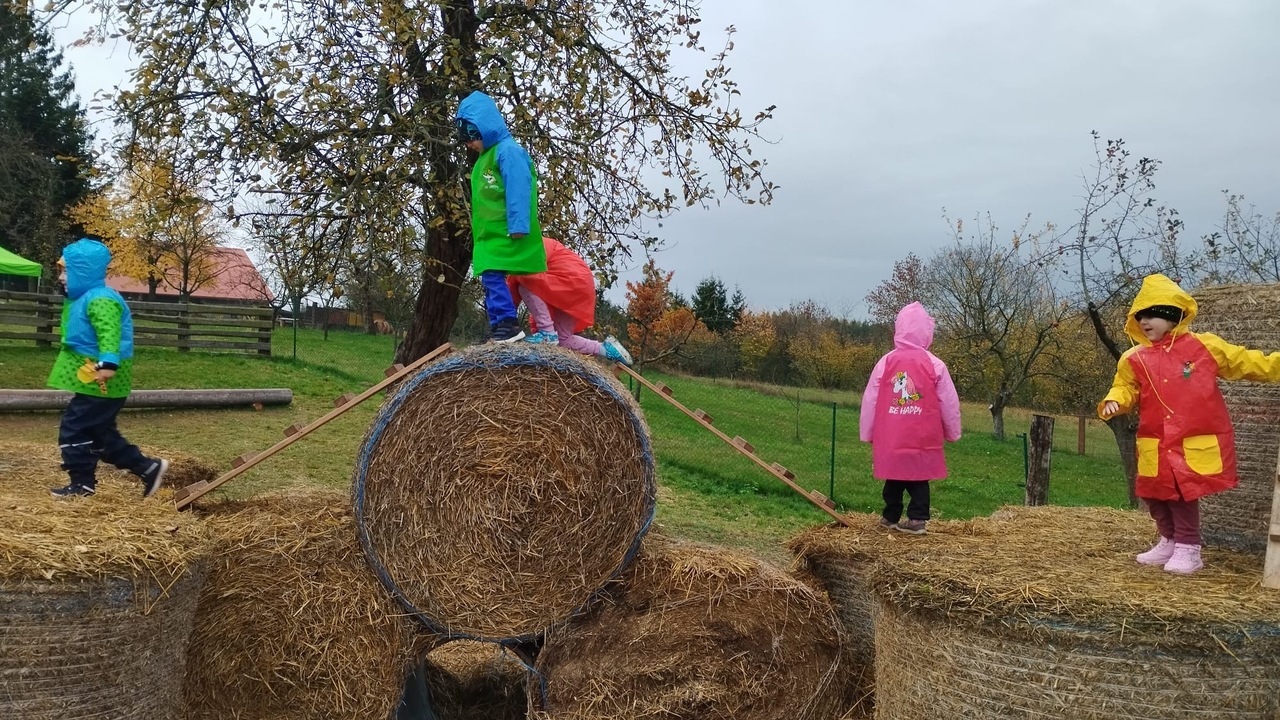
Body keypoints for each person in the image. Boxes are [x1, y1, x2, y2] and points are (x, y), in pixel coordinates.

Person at [1098, 273, 1280, 574]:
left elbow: (1247, 362)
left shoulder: (1203, 347)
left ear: (1172, 315)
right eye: (1140, 316)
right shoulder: (1134, 358)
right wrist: (1115, 400)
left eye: (1152, 314)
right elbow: (1125, 387)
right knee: (1152, 492)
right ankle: (1169, 540)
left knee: (1182, 493)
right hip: (1155, 440)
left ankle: (1189, 548)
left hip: (1191, 437)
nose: (1144, 321)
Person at [46, 238, 169, 498]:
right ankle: (147, 468)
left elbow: (109, 332)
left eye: (67, 271)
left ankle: (82, 484)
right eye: (61, 271)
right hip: (96, 380)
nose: (61, 277)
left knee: (74, 428)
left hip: (101, 379)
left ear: (84, 272)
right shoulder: (86, 298)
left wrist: (109, 361)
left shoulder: (101, 299)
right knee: (100, 434)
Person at [859, 302, 962, 534]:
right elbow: (948, 402)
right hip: (922, 435)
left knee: (893, 475)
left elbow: (871, 399)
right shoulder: (936, 365)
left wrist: (868, 431)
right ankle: (917, 519)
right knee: (919, 477)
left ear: (899, 328)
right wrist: (952, 431)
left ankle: (890, 516)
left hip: (892, 433)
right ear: (927, 330)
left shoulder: (886, 362)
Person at [455, 90, 547, 342]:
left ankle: (508, 324)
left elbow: (519, 187)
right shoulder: (484, 159)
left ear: (484, 128)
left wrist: (518, 223)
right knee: (489, 278)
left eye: (472, 138)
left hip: (505, 231)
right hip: (488, 234)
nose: (469, 144)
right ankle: (499, 326)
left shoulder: (508, 151)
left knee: (493, 276)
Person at [506, 237, 632, 365]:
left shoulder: (533, 246)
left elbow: (512, 291)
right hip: (581, 287)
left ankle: (547, 333)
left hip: (570, 281)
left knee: (525, 281)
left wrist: (505, 323)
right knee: (563, 339)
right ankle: (605, 349)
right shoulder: (541, 245)